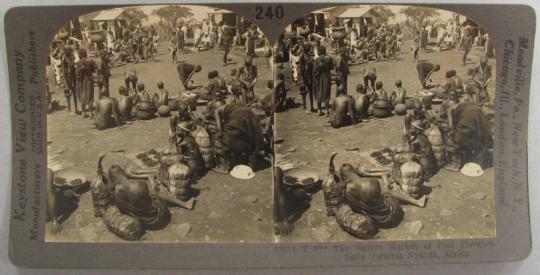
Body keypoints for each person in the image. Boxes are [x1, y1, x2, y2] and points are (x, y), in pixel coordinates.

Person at [213, 102, 264, 171]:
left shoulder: (217, 110)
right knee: (252, 136)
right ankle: (251, 164)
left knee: (224, 141)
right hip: (249, 114)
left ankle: (223, 167)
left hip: (238, 117)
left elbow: (219, 128)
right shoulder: (233, 104)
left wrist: (220, 133)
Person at [445, 101, 493, 170]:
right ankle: (479, 160)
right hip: (480, 113)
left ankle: (454, 165)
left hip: (469, 116)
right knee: (479, 136)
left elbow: (450, 127)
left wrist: (451, 133)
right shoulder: (464, 103)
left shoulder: (449, 109)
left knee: (454, 138)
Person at [75, 49, 96, 118]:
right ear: (85, 54)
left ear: (80, 55)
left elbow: (77, 74)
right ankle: (91, 113)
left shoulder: (78, 63)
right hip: (89, 81)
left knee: (82, 95)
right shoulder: (89, 62)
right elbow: (93, 71)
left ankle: (83, 112)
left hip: (81, 81)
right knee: (90, 95)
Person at [313, 46, 333, 116]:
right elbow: (332, 68)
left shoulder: (317, 60)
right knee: (326, 93)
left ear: (320, 52)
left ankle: (319, 109)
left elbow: (314, 71)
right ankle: (327, 110)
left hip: (319, 78)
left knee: (319, 92)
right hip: (327, 77)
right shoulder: (329, 58)